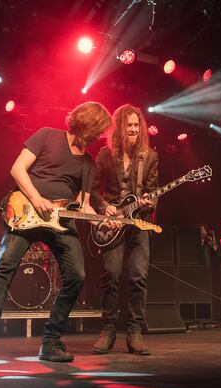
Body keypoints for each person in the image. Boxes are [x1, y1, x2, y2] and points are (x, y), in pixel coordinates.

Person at [0, 101, 112, 367]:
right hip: (28, 210)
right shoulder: (47, 135)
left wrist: (100, 221)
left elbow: (83, 204)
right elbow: (18, 169)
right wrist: (37, 198)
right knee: (3, 267)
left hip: (61, 220)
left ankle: (50, 342)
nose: (100, 136)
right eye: (98, 129)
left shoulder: (89, 164)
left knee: (77, 276)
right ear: (85, 122)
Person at [90, 104, 159, 355]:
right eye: (128, 125)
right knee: (110, 273)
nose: (132, 129)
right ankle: (107, 330)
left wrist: (150, 202)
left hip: (139, 223)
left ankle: (134, 332)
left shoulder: (149, 156)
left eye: (136, 125)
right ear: (119, 128)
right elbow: (95, 191)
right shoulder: (105, 155)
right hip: (113, 225)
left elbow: (153, 190)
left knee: (138, 277)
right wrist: (105, 207)